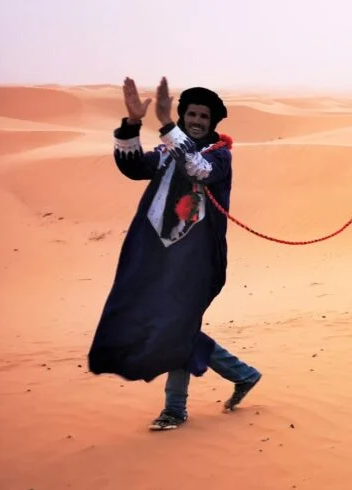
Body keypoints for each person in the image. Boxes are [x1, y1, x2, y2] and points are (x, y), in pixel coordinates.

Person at [87, 77, 262, 431]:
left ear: (213, 123)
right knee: (169, 324)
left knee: (176, 326)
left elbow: (198, 169)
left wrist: (167, 126)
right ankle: (242, 373)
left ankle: (175, 409)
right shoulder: (168, 153)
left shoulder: (220, 156)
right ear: (184, 116)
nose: (197, 120)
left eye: (204, 116)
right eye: (192, 114)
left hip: (196, 259)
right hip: (158, 255)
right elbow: (133, 166)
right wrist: (134, 123)